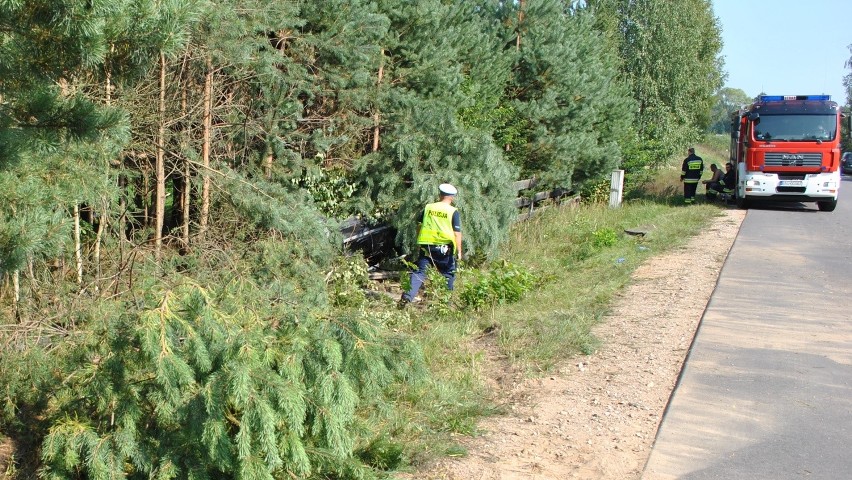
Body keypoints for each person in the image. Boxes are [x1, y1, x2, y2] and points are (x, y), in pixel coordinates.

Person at [399, 183, 463, 306]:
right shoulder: (453, 211)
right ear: (452, 197)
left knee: (420, 272)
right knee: (448, 274)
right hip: (445, 249)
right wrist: (459, 251)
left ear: (440, 194)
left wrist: (420, 240)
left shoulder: (428, 208)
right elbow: (456, 233)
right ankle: (445, 304)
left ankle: (407, 297)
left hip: (426, 246)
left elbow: (419, 224)